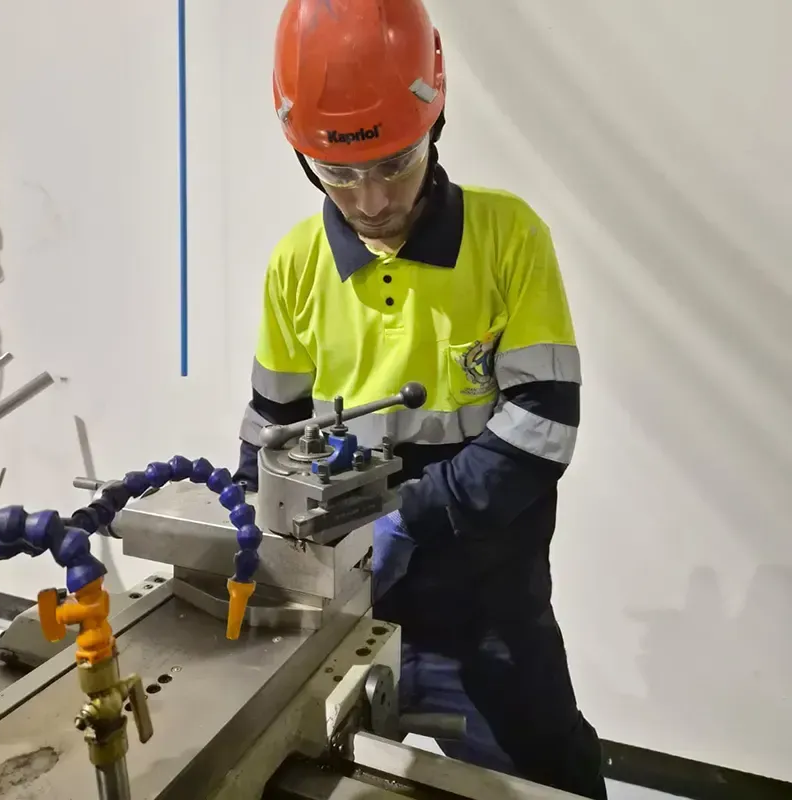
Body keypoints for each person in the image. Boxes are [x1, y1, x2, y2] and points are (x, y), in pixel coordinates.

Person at [233, 1, 607, 797]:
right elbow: (268, 434)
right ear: (303, 155)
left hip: (490, 619)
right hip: (347, 612)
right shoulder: (295, 267)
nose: (369, 201)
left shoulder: (510, 239)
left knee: (548, 782)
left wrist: (410, 516)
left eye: (393, 163)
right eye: (339, 173)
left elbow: (542, 429)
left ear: (437, 117)